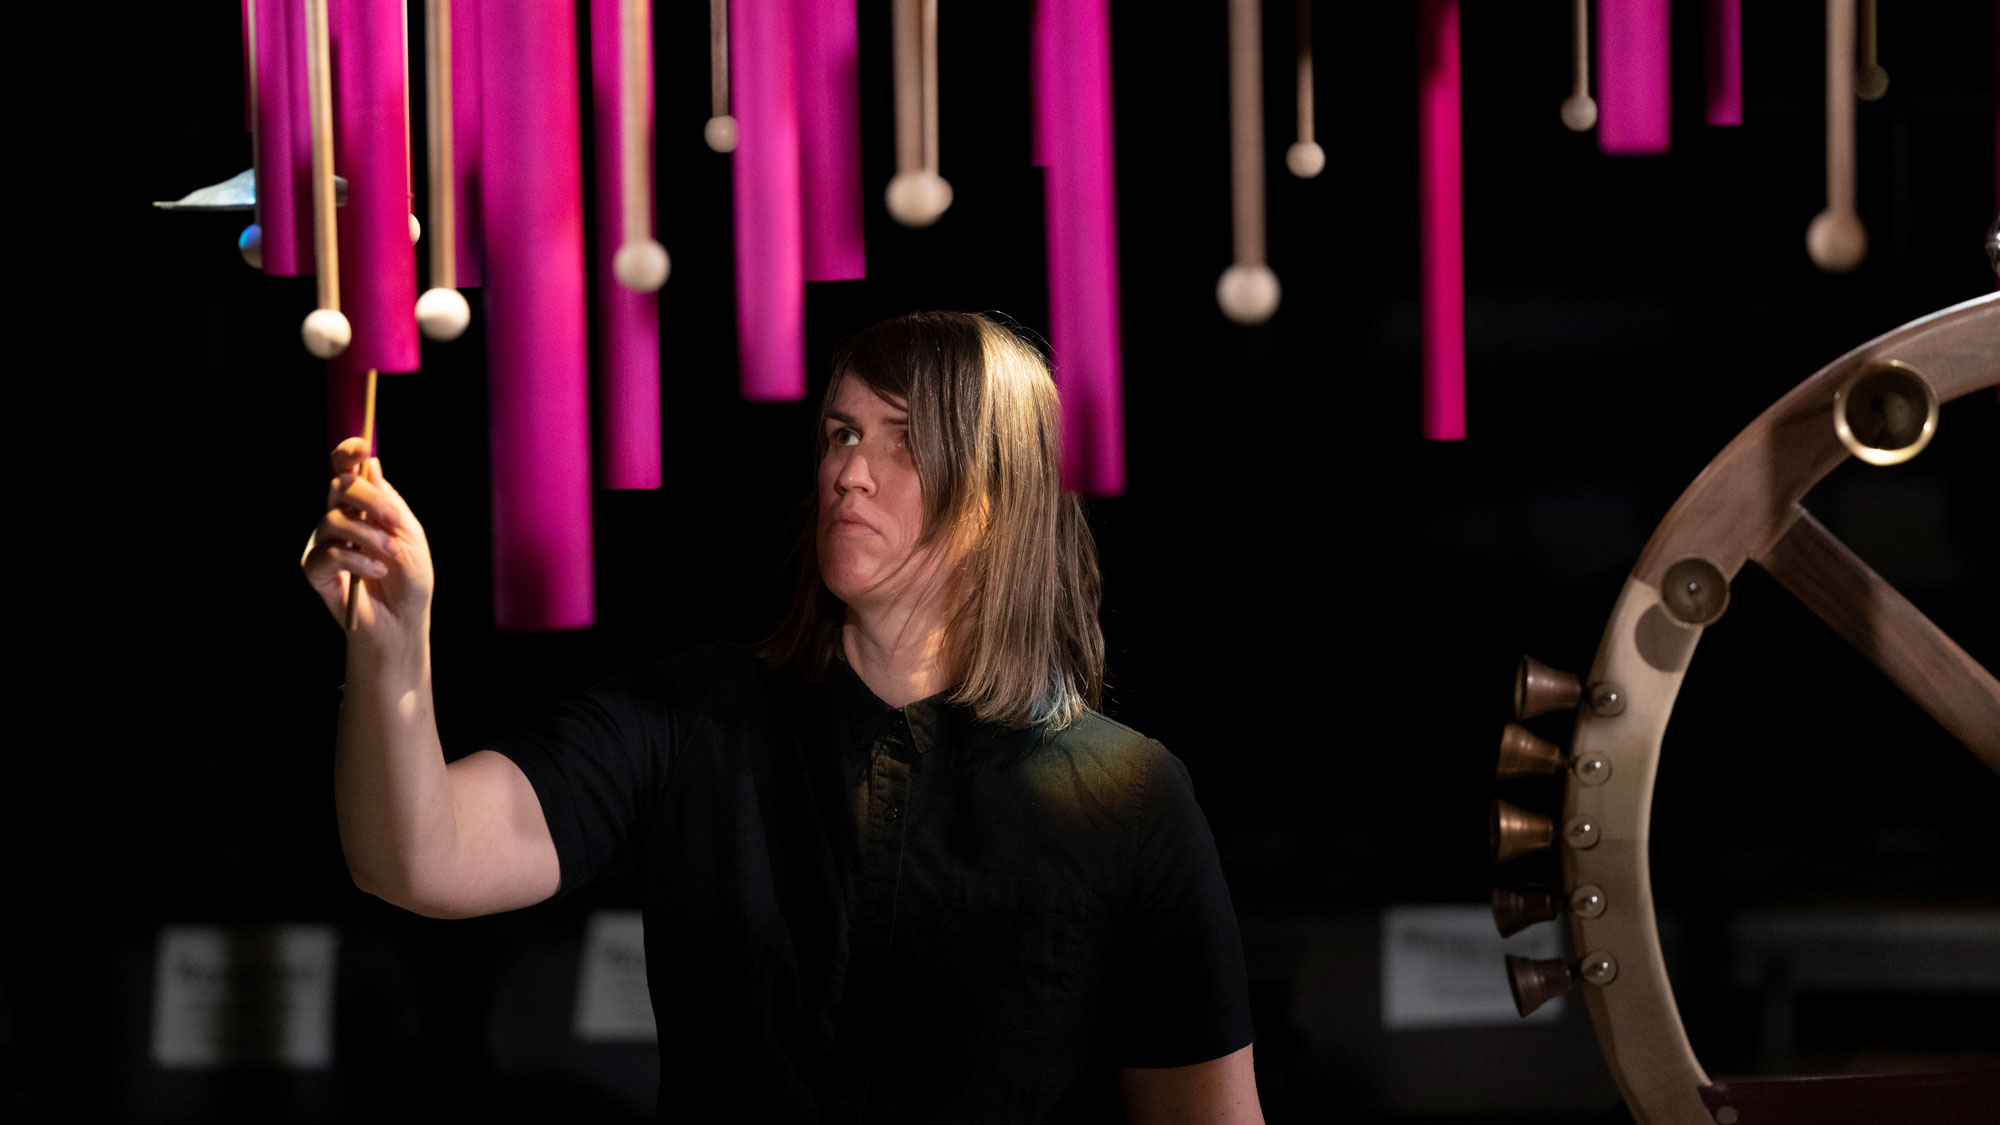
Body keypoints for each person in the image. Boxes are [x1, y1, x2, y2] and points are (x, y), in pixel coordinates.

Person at [302, 311, 1262, 1122]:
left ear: (1000, 493)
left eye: (905, 441)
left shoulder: (1129, 796)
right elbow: (417, 859)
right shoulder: (695, 714)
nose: (851, 471)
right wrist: (391, 648)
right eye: (843, 433)